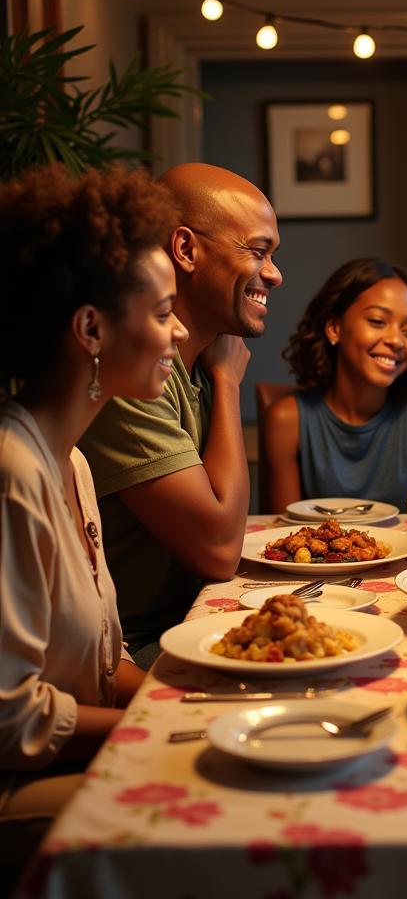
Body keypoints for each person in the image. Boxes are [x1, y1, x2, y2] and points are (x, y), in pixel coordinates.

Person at [0, 164, 187, 871]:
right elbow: (10, 718)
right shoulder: (12, 474)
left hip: (81, 758)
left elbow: (103, 669)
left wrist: (199, 699)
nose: (179, 330)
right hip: (25, 788)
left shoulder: (72, 463)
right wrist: (170, 729)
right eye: (164, 310)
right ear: (91, 328)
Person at [79, 163, 282, 668]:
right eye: (258, 251)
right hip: (137, 648)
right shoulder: (129, 377)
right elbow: (218, 550)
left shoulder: (198, 364)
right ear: (186, 250)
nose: (275, 273)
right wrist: (230, 383)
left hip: (192, 620)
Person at [262, 258, 407, 511]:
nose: (396, 341)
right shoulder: (287, 420)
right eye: (378, 321)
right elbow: (283, 534)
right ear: (334, 328)